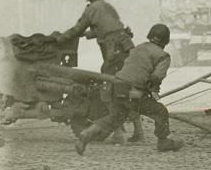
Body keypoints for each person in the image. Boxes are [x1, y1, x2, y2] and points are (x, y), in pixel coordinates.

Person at [52, 0, 143, 143]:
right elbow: (108, 28)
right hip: (126, 48)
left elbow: (77, 29)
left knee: (108, 89)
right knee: (126, 88)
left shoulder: (91, 9)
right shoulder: (108, 7)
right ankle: (139, 131)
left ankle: (118, 134)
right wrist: (88, 34)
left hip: (113, 52)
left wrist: (60, 39)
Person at [75, 23, 181, 154]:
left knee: (114, 118)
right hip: (133, 91)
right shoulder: (163, 56)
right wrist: (152, 89)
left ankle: (87, 133)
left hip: (117, 87)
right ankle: (163, 142)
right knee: (160, 111)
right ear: (166, 40)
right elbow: (157, 77)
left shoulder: (138, 48)